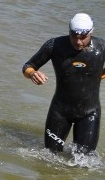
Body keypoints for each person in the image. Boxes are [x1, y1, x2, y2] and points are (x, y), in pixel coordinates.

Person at [22, 13, 105, 154]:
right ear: (69, 31)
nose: (78, 42)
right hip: (60, 112)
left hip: (89, 113)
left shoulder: (101, 47)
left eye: (83, 38)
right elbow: (28, 66)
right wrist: (32, 74)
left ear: (91, 32)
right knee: (49, 157)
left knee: (84, 162)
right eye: (74, 37)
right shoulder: (54, 45)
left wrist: (99, 75)